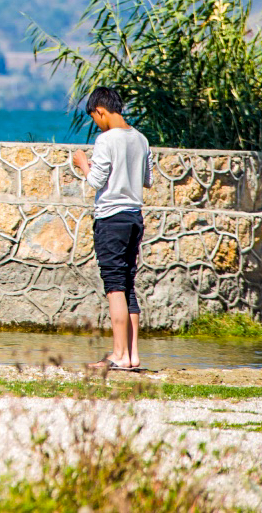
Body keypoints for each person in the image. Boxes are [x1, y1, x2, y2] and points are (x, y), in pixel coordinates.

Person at [71, 85, 151, 372]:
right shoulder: (141, 139)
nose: (96, 122)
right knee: (128, 285)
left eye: (95, 117)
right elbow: (146, 179)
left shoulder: (106, 140)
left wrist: (83, 164)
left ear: (101, 111)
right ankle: (132, 355)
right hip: (134, 217)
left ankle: (118, 355)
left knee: (115, 285)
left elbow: (95, 182)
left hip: (111, 218)